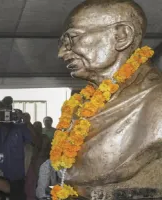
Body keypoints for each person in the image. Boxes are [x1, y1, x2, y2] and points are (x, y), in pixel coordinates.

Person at [58, 0, 162, 199]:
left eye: (73, 38)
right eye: (63, 43)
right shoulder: (81, 106)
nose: (62, 52)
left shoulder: (157, 101)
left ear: (122, 36)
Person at [0, 96, 37, 199]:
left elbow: (36, 142)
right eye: (2, 112)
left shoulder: (21, 128)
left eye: (8, 112)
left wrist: (27, 122)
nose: (6, 115)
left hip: (16, 177)